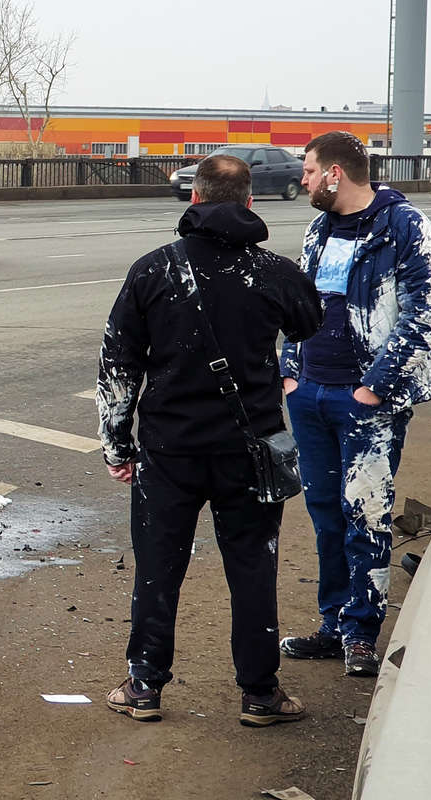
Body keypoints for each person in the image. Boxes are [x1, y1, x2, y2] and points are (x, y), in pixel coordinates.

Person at [97, 155, 322, 726]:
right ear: (250, 202)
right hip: (250, 453)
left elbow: (117, 368)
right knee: (252, 569)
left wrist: (118, 447)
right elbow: (308, 323)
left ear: (194, 199)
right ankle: (260, 694)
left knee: (157, 569)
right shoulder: (272, 271)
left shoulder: (152, 270)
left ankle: (144, 685)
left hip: (169, 452)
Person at [278, 131, 431, 677]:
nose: (303, 180)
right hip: (310, 394)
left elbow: (424, 314)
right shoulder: (319, 228)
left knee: (367, 514)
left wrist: (375, 386)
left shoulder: (404, 226)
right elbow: (299, 302)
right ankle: (333, 624)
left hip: (366, 400)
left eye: (308, 171)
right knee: (326, 515)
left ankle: (361, 631)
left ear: (334, 173)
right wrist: (290, 370)